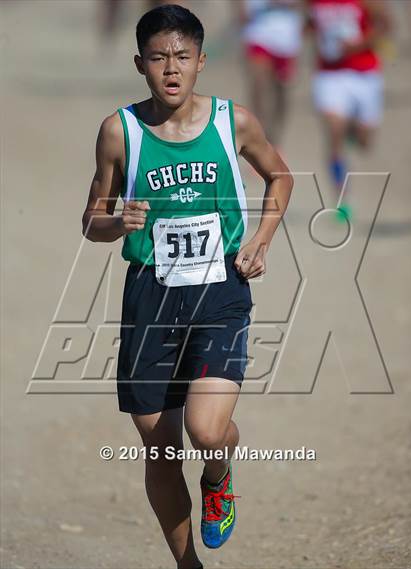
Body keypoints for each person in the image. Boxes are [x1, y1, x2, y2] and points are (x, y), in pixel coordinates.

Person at [82, 4, 293, 568]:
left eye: (181, 56)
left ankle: (219, 473)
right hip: (150, 295)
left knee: (204, 432)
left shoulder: (233, 121)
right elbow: (90, 221)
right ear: (140, 64)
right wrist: (116, 221)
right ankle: (187, 564)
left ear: (201, 61)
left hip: (219, 289)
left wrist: (264, 237)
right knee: (161, 447)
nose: (170, 68)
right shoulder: (118, 131)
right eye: (158, 57)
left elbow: (280, 175)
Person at [306, 0, 391, 220]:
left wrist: (359, 44)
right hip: (329, 75)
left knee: (364, 142)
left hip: (365, 74)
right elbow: (310, 22)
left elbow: (386, 25)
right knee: (334, 131)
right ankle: (342, 198)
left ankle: (352, 129)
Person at [238, 0, 303, 145]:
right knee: (259, 84)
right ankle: (257, 134)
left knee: (282, 91)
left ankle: (275, 138)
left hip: (286, 37)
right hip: (258, 32)